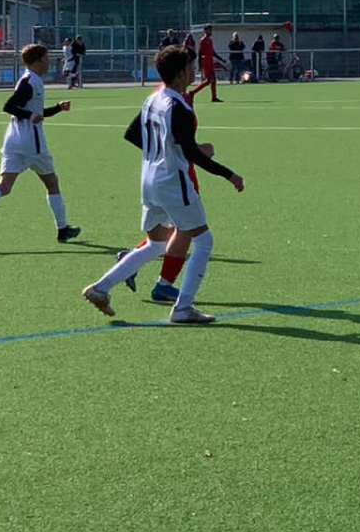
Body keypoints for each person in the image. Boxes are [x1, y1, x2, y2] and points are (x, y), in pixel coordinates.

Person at [81, 45, 244, 325]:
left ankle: (100, 288)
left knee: (156, 244)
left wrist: (161, 152)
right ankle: (183, 309)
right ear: (181, 73)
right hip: (172, 182)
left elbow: (132, 134)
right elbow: (191, 153)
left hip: (149, 180)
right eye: (191, 67)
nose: (194, 71)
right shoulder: (178, 106)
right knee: (203, 240)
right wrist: (229, 175)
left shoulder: (153, 99)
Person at [0, 44, 81, 246]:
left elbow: (34, 112)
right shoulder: (30, 82)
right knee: (52, 183)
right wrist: (31, 115)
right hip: (31, 143)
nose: (48, 62)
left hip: (13, 140)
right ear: (37, 61)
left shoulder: (31, 80)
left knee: (4, 186)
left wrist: (58, 108)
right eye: (46, 59)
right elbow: (9, 106)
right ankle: (62, 229)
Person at [187, 27, 223, 101]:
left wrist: (221, 59)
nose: (211, 31)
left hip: (210, 62)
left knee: (210, 80)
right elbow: (200, 52)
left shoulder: (210, 40)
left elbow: (212, 52)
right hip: (206, 63)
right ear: (205, 31)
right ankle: (194, 93)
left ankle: (194, 93)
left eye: (211, 30)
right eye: (209, 30)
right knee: (210, 80)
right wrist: (200, 65)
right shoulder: (203, 40)